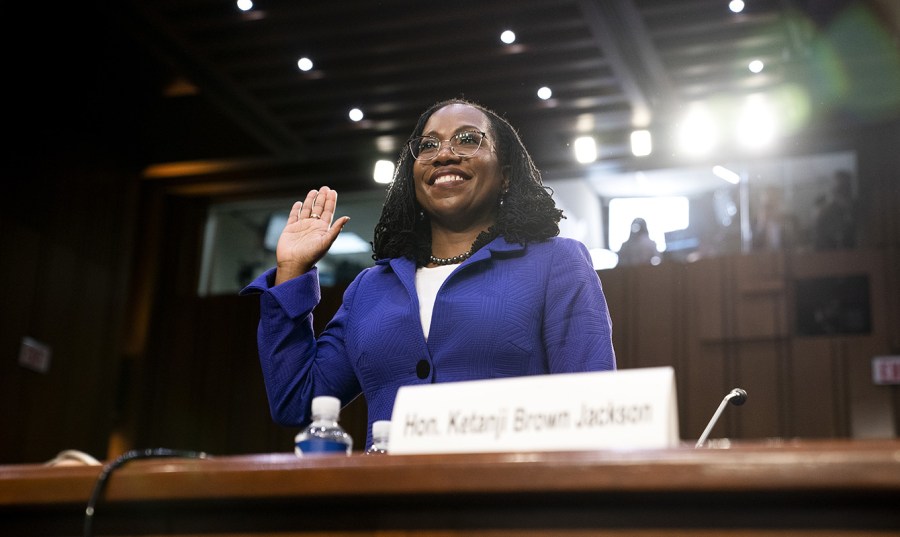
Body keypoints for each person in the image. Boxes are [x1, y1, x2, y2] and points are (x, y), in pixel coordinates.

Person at [241, 98, 617, 449]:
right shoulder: (368, 289)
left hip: (511, 507)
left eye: (468, 140)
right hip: (392, 509)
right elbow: (297, 403)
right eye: (428, 145)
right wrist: (292, 270)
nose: (445, 154)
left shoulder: (556, 263)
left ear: (505, 175)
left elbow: (592, 406)